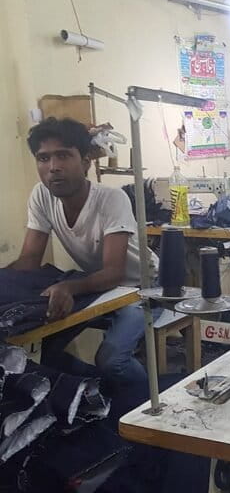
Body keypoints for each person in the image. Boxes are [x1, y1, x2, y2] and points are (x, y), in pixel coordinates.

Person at [7, 117, 157, 387]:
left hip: (143, 286)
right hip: (97, 286)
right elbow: (29, 260)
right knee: (43, 351)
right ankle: (94, 391)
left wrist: (69, 287)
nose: (53, 167)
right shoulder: (42, 196)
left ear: (86, 160)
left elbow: (114, 272)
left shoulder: (111, 199)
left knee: (112, 360)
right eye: (43, 158)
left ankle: (148, 404)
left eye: (63, 155)